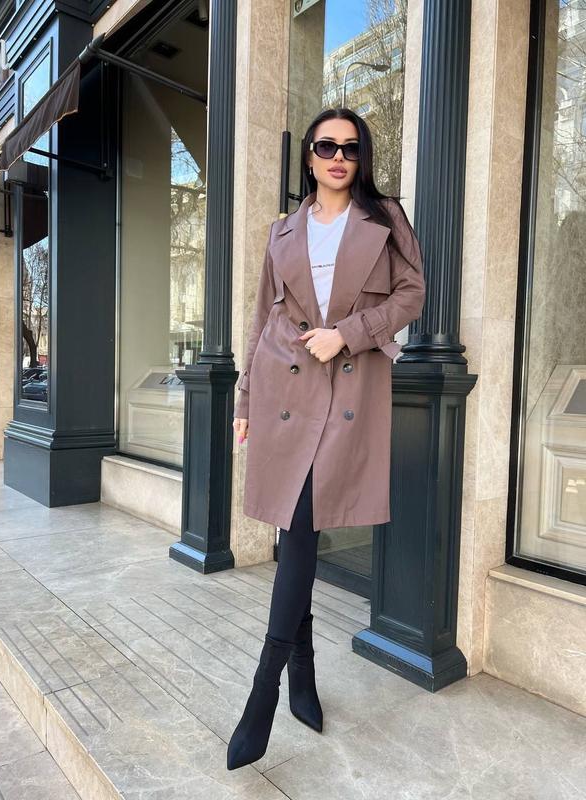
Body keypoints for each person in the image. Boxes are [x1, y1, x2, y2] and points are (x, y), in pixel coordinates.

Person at [227, 107, 426, 770]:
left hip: (346, 383)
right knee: (296, 531)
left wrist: (349, 333)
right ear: (309, 157)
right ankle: (301, 673)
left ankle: (262, 695)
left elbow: (412, 295)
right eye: (325, 146)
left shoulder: (385, 218)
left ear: (361, 156)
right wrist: (245, 398)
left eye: (350, 147)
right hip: (284, 385)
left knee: (303, 526)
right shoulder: (282, 230)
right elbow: (262, 318)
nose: (338, 156)